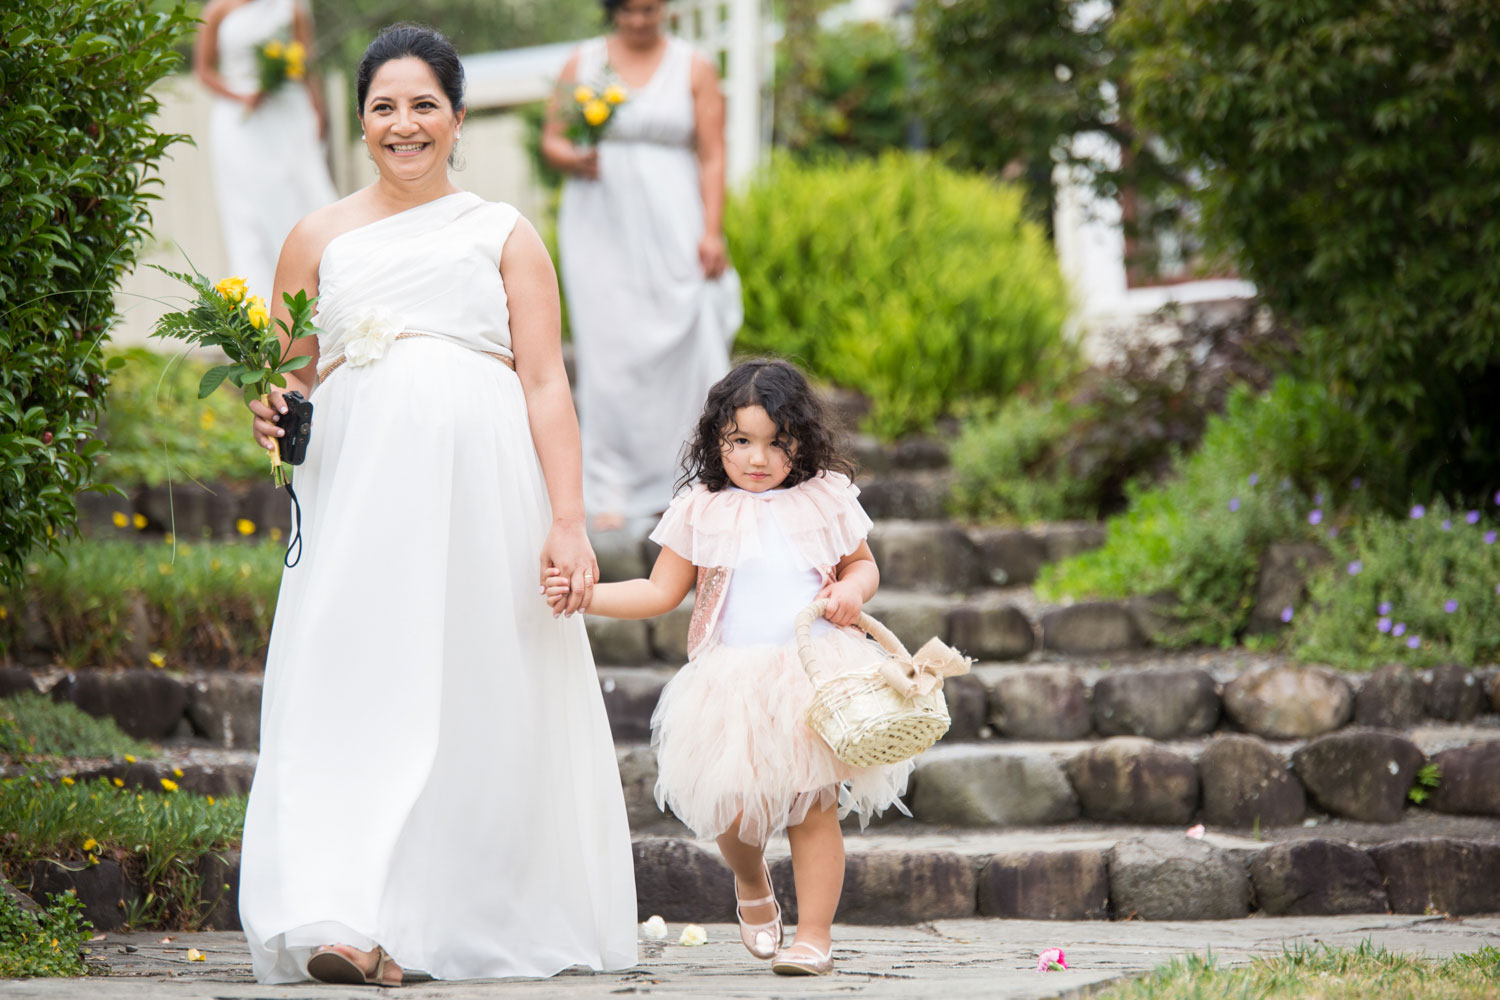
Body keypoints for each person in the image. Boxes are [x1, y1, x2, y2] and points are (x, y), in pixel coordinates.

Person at [238, 24, 637, 985]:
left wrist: (570, 519)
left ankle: (446, 915)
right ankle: (343, 917)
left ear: (457, 118)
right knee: (350, 680)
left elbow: (545, 382)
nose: (403, 124)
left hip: (483, 491)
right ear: (361, 121)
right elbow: (292, 377)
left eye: (424, 106)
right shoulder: (316, 235)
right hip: (358, 489)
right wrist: (270, 411)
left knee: (473, 686)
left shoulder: (503, 231)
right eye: (384, 106)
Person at [545, 359, 911, 977]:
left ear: (804, 440)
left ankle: (814, 937)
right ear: (718, 440)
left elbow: (862, 565)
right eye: (742, 441)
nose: (759, 458)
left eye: (777, 442)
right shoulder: (702, 508)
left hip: (810, 678)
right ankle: (750, 880)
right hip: (731, 682)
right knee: (735, 810)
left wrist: (853, 591)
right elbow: (660, 591)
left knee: (812, 808)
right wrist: (589, 595)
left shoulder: (822, 498)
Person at [541, 0, 743, 533]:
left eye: (648, 8)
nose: (638, 19)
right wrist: (572, 156)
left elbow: (713, 152)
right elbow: (552, 137)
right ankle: (611, 488)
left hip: (674, 218)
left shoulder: (694, 64)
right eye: (627, 9)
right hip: (599, 222)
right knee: (608, 356)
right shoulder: (582, 62)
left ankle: (688, 478)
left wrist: (712, 228)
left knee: (682, 347)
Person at [194, 0, 338, 301]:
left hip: (287, 112)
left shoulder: (291, 8)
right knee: (247, 210)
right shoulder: (218, 10)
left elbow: (307, 61)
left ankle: (317, 291)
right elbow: (204, 71)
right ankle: (258, 306)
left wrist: (318, 109)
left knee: (298, 196)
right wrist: (241, 96)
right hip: (240, 120)